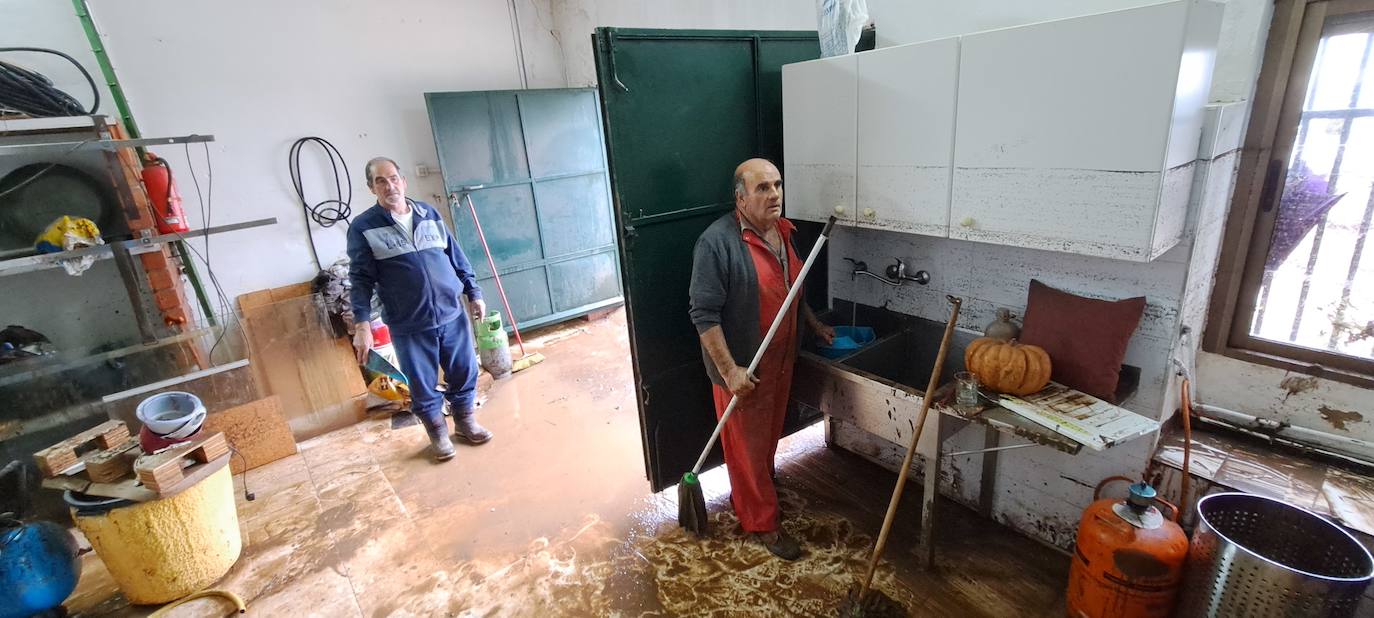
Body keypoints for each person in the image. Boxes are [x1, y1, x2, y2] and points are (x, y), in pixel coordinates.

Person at [688, 158, 835, 560]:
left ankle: (757, 493)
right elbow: (703, 315)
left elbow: (791, 289)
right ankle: (763, 524)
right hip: (744, 372)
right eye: (762, 188)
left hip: (782, 362)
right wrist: (730, 370)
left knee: (765, 439)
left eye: (777, 185)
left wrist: (814, 324)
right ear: (740, 197)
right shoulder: (716, 243)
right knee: (748, 450)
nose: (774, 194)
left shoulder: (782, 232)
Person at [347, 157, 493, 461]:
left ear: (404, 181)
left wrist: (473, 291)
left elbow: (456, 256)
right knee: (422, 381)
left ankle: (465, 423)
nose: (390, 186)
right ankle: (438, 434)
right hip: (408, 321)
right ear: (371, 187)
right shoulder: (364, 227)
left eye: (394, 178)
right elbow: (360, 279)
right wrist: (362, 325)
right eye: (380, 181)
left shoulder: (429, 213)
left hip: (451, 312)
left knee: (464, 369)